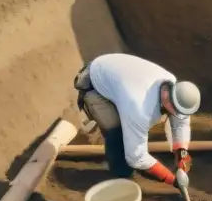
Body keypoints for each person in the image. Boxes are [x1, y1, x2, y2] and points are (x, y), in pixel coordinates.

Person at [73, 53, 200, 189]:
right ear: (170, 102)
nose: (181, 116)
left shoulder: (172, 85)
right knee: (117, 134)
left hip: (116, 71)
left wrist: (181, 152)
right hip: (95, 82)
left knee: (132, 125)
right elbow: (136, 157)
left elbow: (181, 121)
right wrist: (171, 179)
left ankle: (118, 109)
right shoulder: (140, 108)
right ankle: (121, 176)